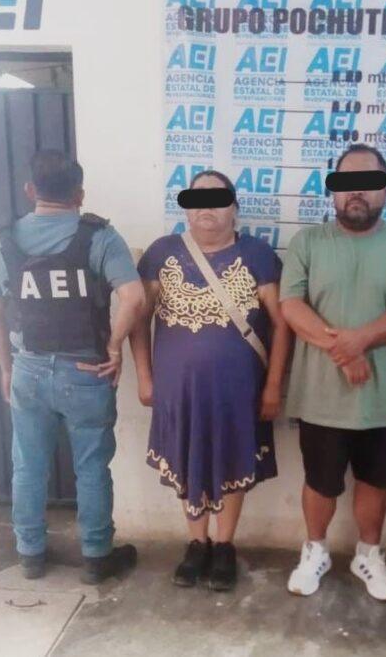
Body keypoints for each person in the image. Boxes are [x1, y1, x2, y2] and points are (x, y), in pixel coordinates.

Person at [0, 150, 145, 583]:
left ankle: (30, 553)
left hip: (28, 369)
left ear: (30, 190)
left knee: (28, 465)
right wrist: (114, 347)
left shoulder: (0, 241)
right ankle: (96, 556)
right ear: (79, 194)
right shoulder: (100, 237)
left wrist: (6, 366)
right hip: (86, 370)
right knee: (91, 466)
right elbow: (134, 298)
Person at [280, 144, 386, 601]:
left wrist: (360, 340)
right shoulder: (308, 242)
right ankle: (315, 551)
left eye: (367, 182)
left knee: (375, 480)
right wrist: (344, 350)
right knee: (319, 481)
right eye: (346, 183)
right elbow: (291, 306)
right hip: (320, 395)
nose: (356, 192)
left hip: (382, 397)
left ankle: (369, 554)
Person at [130, 170, 290, 592]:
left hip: (239, 392)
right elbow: (138, 320)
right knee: (187, 457)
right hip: (177, 391)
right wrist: (144, 377)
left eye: (218, 200)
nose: (207, 208)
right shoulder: (161, 253)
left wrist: (274, 385)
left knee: (233, 459)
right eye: (198, 199)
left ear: (234, 208)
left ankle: (224, 546)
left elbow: (282, 324)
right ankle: (196, 543)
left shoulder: (257, 255)